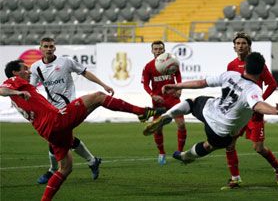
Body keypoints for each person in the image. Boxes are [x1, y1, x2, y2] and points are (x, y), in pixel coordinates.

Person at [0, 59, 164, 201]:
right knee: (99, 97)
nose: (29, 72)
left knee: (66, 168)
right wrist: (18, 91)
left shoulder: (24, 89)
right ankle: (143, 112)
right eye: (25, 69)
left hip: (48, 132)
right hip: (56, 122)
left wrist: (20, 93)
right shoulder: (14, 81)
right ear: (15, 72)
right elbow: (1, 90)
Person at [143, 52, 278, 185]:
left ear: (245, 67)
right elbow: (258, 105)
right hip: (222, 129)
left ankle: (167, 115)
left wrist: (175, 85)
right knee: (210, 145)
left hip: (209, 110)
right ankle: (187, 156)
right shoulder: (254, 90)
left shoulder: (231, 75)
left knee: (192, 103)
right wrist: (275, 110)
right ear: (261, 71)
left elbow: (201, 83)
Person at [30, 37, 112, 184]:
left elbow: (85, 72)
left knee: (54, 138)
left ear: (55, 48)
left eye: (51, 46)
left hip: (69, 106)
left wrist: (103, 85)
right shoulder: (36, 67)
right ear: (40, 49)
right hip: (52, 109)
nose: (49, 49)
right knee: (65, 139)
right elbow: (31, 89)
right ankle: (92, 161)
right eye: (46, 46)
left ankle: (52, 170)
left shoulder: (65, 61)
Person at [222, 32, 278, 189]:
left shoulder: (257, 64)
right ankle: (235, 178)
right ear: (234, 46)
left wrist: (258, 100)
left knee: (258, 148)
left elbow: (272, 84)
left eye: (243, 43)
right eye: (238, 43)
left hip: (254, 114)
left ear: (249, 46)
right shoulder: (231, 65)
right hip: (238, 112)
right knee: (229, 144)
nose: (240, 46)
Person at [141, 40, 187, 165]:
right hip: (159, 101)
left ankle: (180, 153)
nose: (158, 51)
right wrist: (152, 95)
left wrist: (179, 88)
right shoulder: (148, 66)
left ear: (164, 50)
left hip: (173, 98)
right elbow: (145, 84)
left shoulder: (172, 62)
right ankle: (161, 153)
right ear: (152, 51)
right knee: (157, 128)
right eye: (155, 49)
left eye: (160, 49)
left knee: (181, 124)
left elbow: (178, 76)